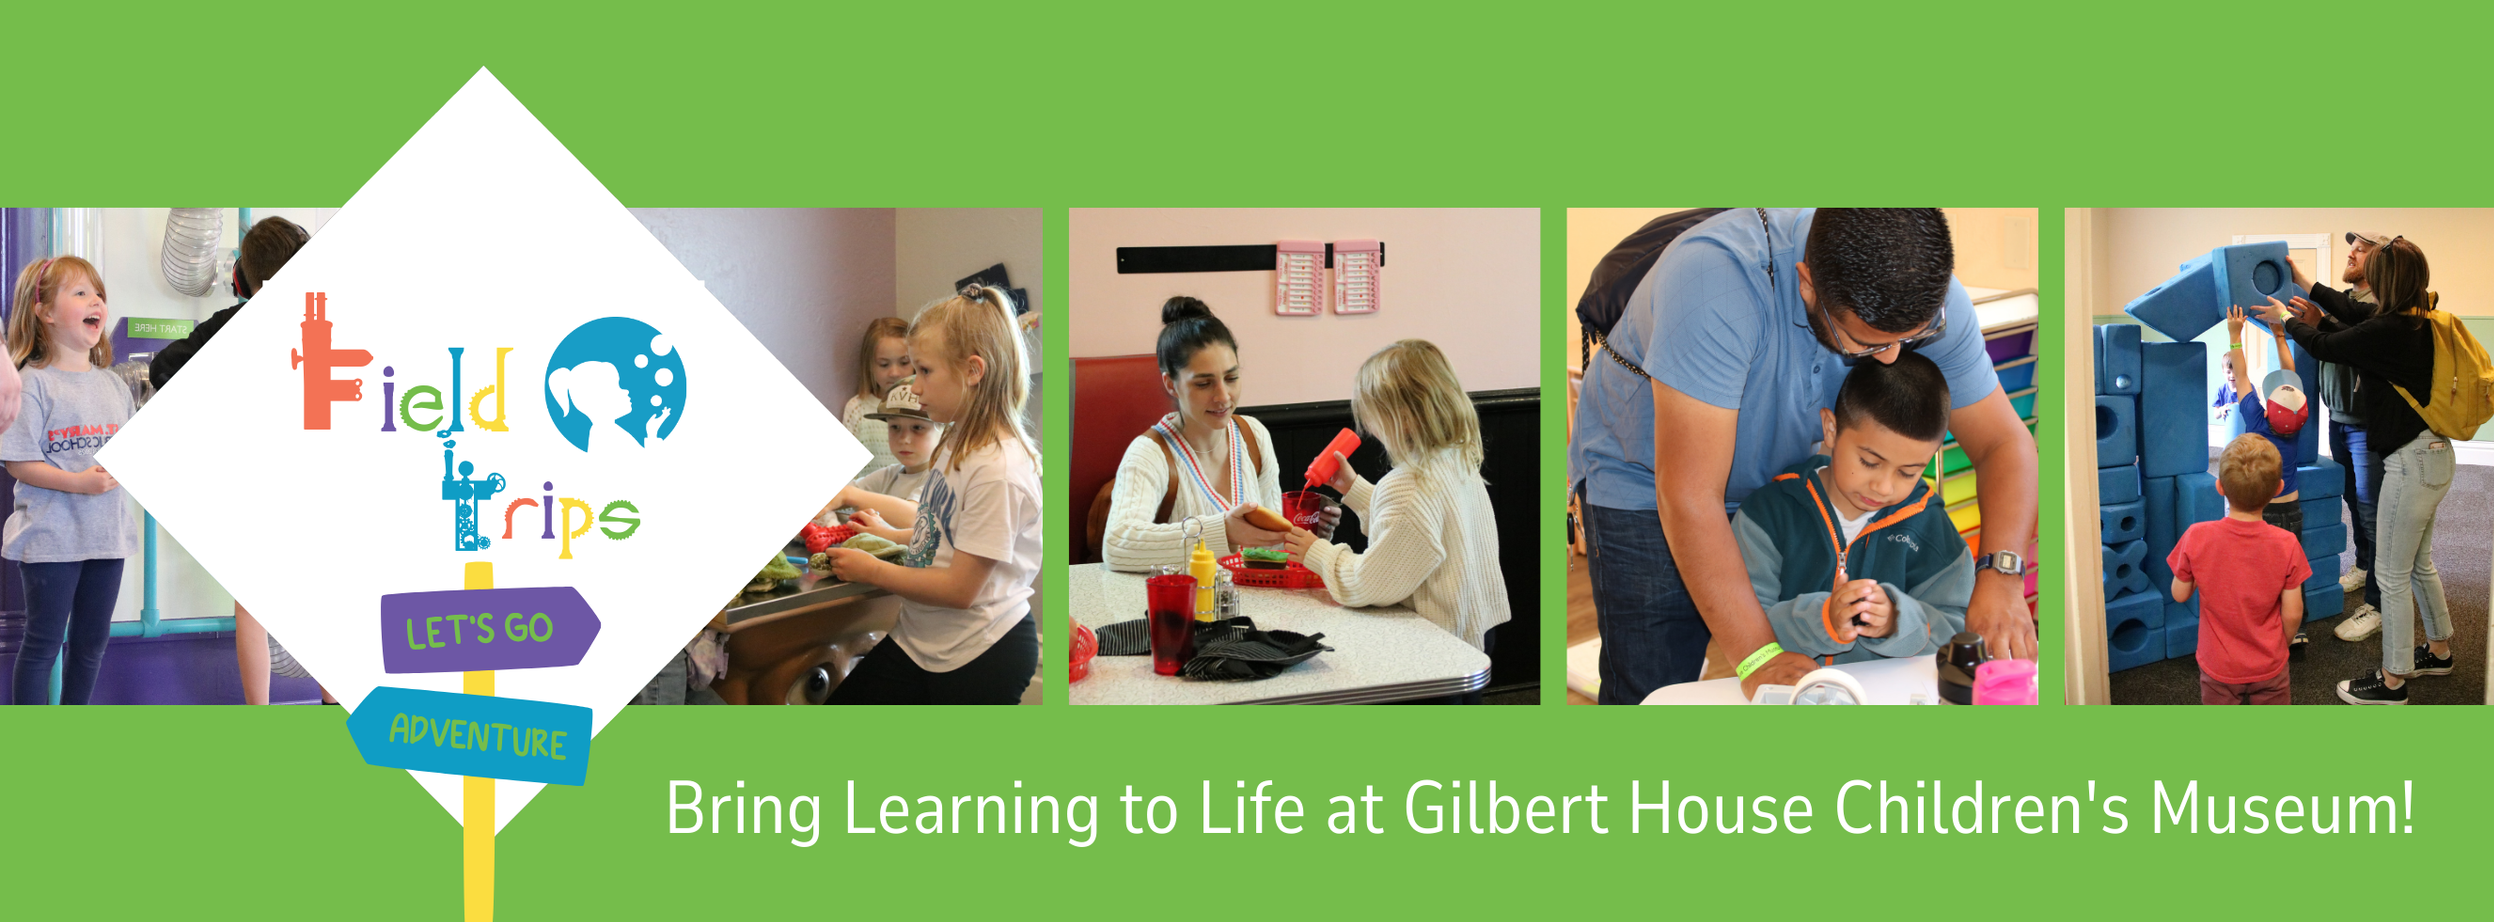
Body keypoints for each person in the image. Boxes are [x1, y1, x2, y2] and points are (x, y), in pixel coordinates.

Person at [1568, 209, 2037, 704]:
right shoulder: (1713, 283)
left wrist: (2002, 575)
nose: (1892, 359)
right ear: (1808, 285)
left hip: (1778, 486)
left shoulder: (1924, 295)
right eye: (1868, 343)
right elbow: (1689, 495)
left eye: (1910, 339)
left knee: (1802, 662)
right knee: (1656, 684)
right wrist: (1756, 655)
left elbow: (2003, 443)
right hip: (1647, 484)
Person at [820, 286, 1041, 704]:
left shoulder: (998, 471)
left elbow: (960, 589)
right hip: (921, 640)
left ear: (973, 370)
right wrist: (890, 536)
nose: (915, 387)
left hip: (980, 653)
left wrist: (872, 570)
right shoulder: (956, 443)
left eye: (924, 371)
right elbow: (943, 534)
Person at [148, 216, 334, 705]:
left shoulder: (232, 324)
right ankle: (333, 708)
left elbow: (163, 367)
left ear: (242, 279)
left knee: (253, 603)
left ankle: (259, 715)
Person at [2266, 237, 2455, 704]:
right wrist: (2307, 285)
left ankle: (2391, 682)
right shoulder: (2415, 317)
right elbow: (2348, 311)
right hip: (2434, 456)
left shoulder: (2388, 329)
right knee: (2418, 565)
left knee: (2390, 574)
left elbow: (2324, 343)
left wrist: (2286, 320)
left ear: (2387, 280)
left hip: (2411, 464)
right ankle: (2439, 652)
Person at [1729, 352, 1970, 669]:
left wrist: (1896, 622)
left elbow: (1956, 630)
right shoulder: (1767, 515)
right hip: (1791, 690)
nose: (1883, 487)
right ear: (1831, 429)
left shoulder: (1928, 523)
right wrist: (1823, 620)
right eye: (1869, 462)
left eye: (1908, 472)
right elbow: (1741, 627)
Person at [1282, 340, 1511, 663]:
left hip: (1437, 646)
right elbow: (1419, 526)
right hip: (1478, 626)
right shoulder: (1455, 456)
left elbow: (1370, 583)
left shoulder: (1408, 485)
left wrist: (1317, 553)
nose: (1368, 427)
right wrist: (1353, 488)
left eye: (1371, 416)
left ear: (1401, 418)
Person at [3, 256, 135, 705]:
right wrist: (79, 483)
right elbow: (19, 462)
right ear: (44, 311)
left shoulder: (114, 386)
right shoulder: (32, 384)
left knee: (91, 646)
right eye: (80, 293)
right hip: (51, 540)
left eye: (98, 294)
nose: (95, 301)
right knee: (42, 644)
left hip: (107, 540)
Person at [1101, 298, 1295, 570]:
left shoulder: (1254, 436)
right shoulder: (1148, 453)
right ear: (1171, 384)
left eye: (1231, 378)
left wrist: (1302, 534)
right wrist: (1223, 531)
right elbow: (1117, 546)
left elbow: (1272, 548)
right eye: (1204, 384)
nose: (1223, 397)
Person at [2283, 235, 2391, 640]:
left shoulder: (2381, 308)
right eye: (2352, 247)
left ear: (2378, 260)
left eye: (2360, 249)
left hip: (2367, 425)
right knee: (2352, 500)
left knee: (2372, 511)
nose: (2350, 253)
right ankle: (2364, 565)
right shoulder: (2341, 301)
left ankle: (2379, 603)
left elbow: (2342, 339)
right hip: (2338, 420)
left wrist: (2311, 321)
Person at [2169, 435, 2308, 705]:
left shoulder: (2196, 536)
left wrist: (2197, 569)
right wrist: (2280, 646)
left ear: (2220, 487)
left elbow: (2179, 594)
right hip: (2270, 663)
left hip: (2218, 664)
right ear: (2278, 488)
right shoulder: (2287, 543)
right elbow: (2294, 612)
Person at [2221, 304, 2313, 653]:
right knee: (2292, 570)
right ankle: (2299, 629)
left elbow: (2242, 377)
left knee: (2261, 572)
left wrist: (2235, 336)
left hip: (2265, 512)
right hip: (2293, 511)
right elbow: (2292, 375)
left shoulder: (2257, 421)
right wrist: (2279, 336)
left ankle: (2262, 625)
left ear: (2267, 408)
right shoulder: (2296, 425)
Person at [820, 380, 941, 543]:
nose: (904, 439)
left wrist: (849, 495)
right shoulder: (890, 475)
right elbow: (838, 495)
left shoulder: (943, 476)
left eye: (917, 428)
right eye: (895, 427)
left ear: (945, 432)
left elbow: (916, 517)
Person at [841, 316, 913, 478]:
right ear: (870, 365)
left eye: (904, 362)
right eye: (884, 364)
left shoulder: (928, 403)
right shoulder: (857, 408)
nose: (895, 373)